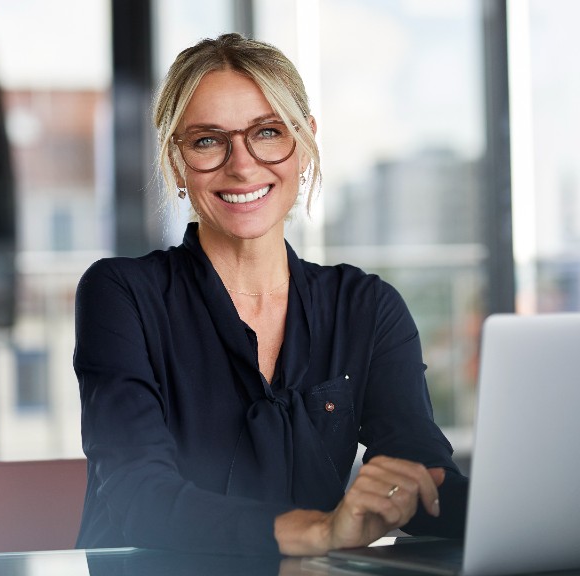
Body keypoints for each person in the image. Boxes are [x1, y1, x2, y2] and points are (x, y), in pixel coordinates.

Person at [73, 32, 468, 557]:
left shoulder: (366, 307)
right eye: (208, 140)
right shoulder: (121, 295)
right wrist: (322, 531)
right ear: (176, 162)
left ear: (304, 144)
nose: (242, 165)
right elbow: (140, 500)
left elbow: (421, 478)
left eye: (267, 132)